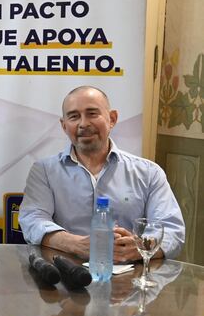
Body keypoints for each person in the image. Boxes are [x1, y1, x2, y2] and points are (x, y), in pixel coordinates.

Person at [19, 86, 186, 260]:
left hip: (130, 276)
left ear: (112, 119)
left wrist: (139, 247)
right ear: (64, 125)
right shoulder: (44, 170)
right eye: (74, 116)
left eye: (92, 113)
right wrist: (76, 244)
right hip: (65, 274)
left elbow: (172, 230)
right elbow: (33, 219)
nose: (83, 124)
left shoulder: (149, 173)